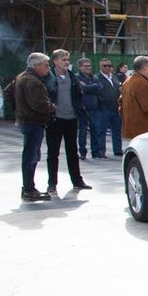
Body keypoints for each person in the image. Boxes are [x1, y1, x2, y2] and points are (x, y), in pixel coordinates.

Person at [44, 49, 90, 193]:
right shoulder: (48, 76)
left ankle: (77, 180)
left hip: (71, 118)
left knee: (72, 151)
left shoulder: (72, 76)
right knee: (53, 152)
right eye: (63, 60)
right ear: (55, 61)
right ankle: (52, 183)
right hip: (55, 119)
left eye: (67, 60)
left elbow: (78, 95)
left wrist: (79, 110)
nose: (66, 62)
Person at [12, 53, 56, 201]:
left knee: (30, 155)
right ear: (36, 66)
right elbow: (39, 104)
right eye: (45, 65)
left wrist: (19, 110)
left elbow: (7, 93)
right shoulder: (32, 81)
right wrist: (52, 107)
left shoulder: (22, 77)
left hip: (28, 121)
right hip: (33, 122)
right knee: (31, 156)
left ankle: (29, 187)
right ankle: (28, 189)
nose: (47, 68)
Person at [118, 56, 148, 141]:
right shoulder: (142, 84)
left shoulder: (127, 82)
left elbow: (120, 106)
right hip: (142, 131)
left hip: (130, 129)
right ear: (145, 68)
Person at [75, 57, 104, 159]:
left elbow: (100, 87)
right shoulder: (77, 77)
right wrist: (92, 87)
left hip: (94, 108)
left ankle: (95, 152)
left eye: (89, 66)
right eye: (85, 66)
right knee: (82, 132)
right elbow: (81, 88)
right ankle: (82, 152)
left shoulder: (94, 77)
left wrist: (88, 86)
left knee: (95, 130)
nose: (88, 68)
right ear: (80, 67)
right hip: (83, 108)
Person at [96, 58, 124, 156]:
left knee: (117, 130)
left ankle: (117, 149)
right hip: (104, 108)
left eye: (109, 65)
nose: (107, 67)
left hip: (115, 107)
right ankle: (101, 151)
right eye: (105, 66)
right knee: (101, 130)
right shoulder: (97, 78)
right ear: (100, 67)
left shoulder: (114, 77)